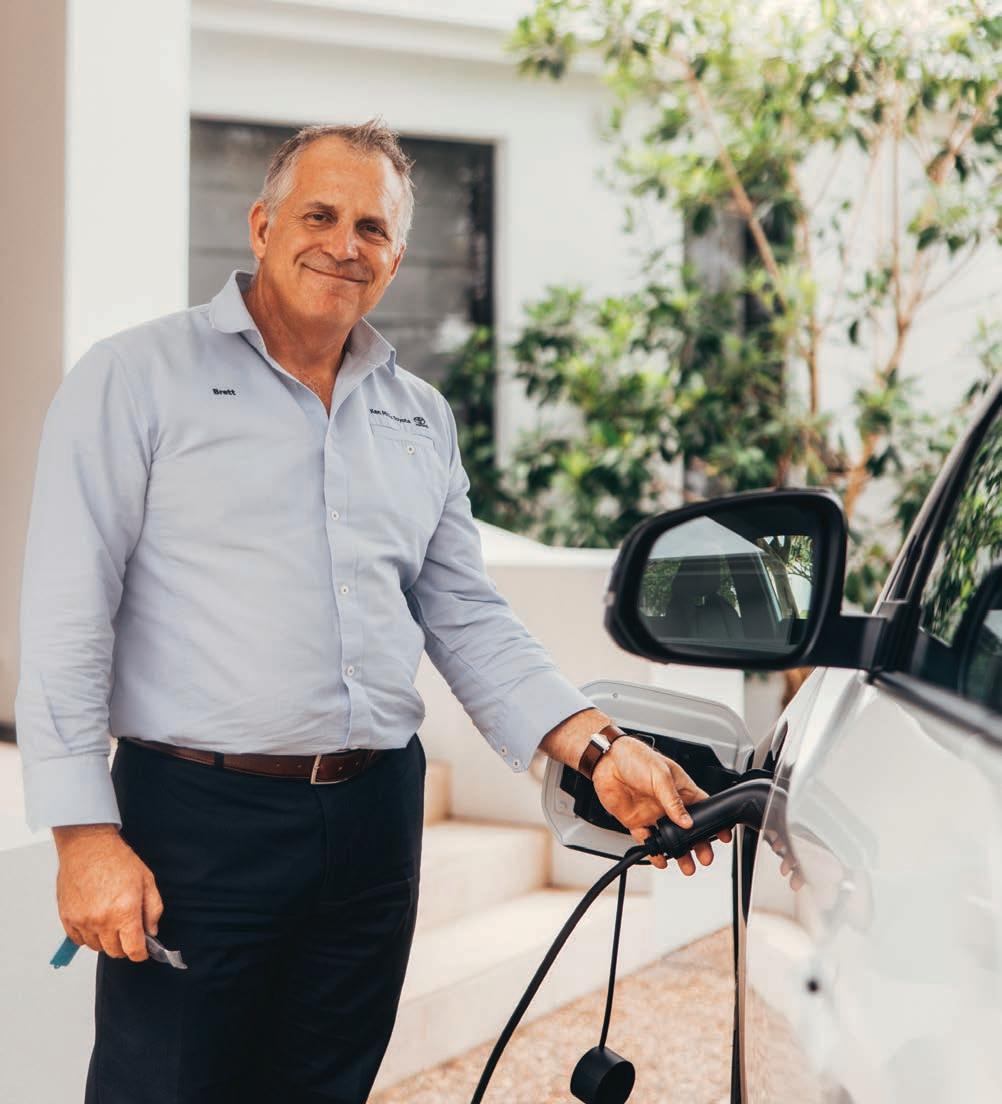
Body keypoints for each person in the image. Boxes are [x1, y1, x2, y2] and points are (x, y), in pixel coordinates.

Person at [15, 119, 729, 1104]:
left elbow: (466, 614)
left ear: (395, 259)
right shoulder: (134, 379)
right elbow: (67, 616)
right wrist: (83, 836)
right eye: (320, 215)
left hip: (373, 823)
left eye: (373, 228)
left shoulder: (419, 416)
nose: (344, 244)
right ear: (262, 226)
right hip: (196, 823)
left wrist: (601, 750)